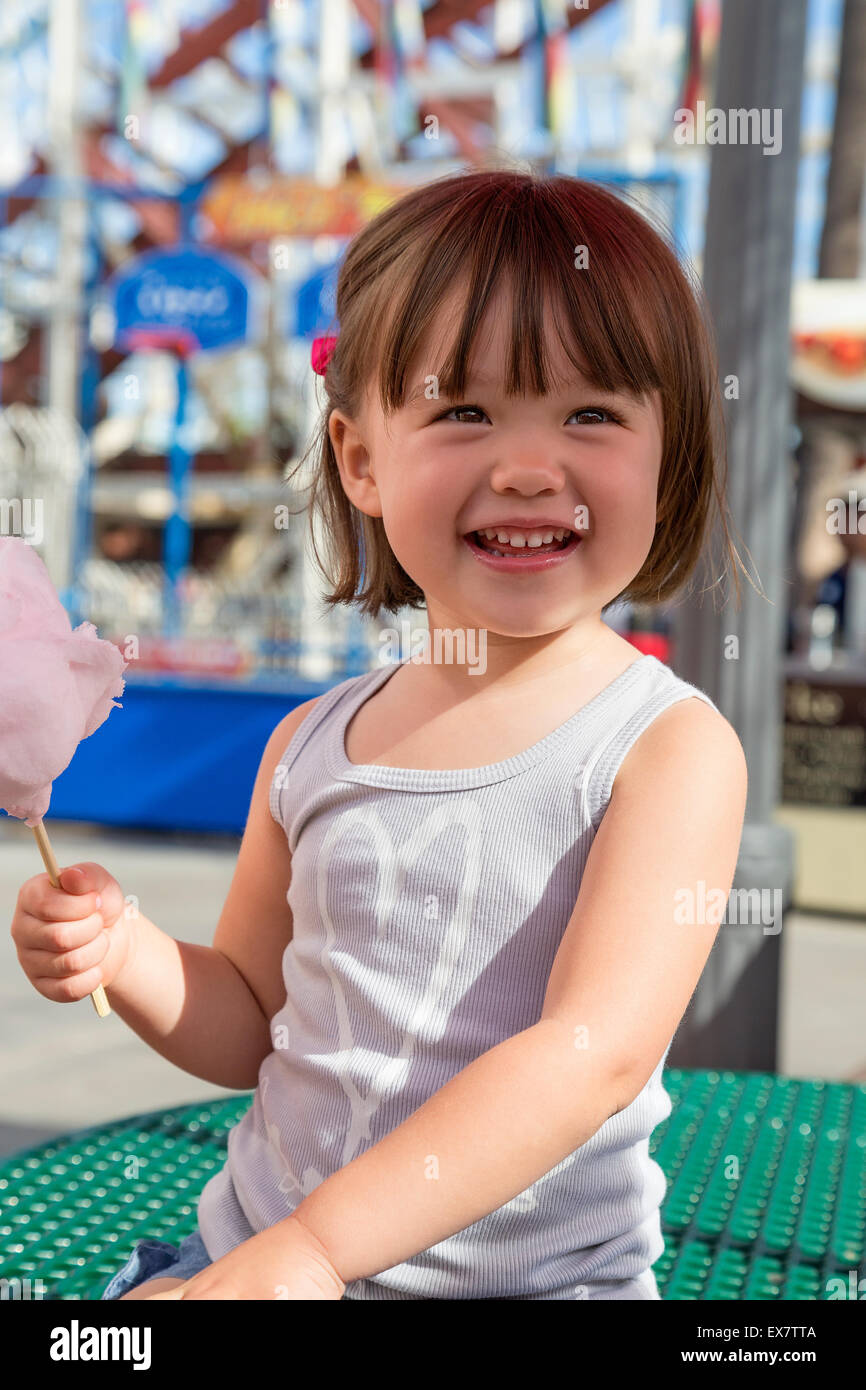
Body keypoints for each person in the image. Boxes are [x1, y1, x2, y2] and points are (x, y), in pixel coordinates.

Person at [11, 167, 752, 1301]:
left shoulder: (664, 750)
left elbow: (585, 1055)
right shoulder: (309, 743)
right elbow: (255, 1021)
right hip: (251, 1258)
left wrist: (310, 1253)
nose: (525, 465)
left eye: (591, 413)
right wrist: (130, 956)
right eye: (462, 411)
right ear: (359, 459)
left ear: (668, 454)